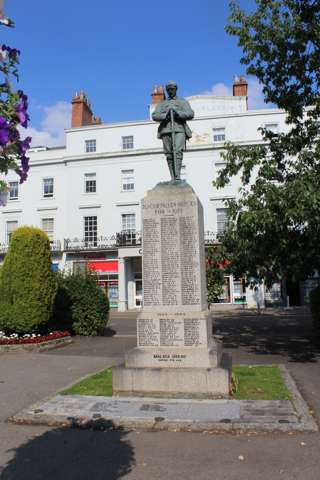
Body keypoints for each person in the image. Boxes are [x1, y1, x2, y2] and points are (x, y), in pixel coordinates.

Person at [152, 80, 194, 181]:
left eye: (173, 89)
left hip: (179, 129)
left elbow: (190, 114)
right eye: (169, 89)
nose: (171, 91)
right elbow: (154, 115)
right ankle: (172, 177)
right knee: (169, 154)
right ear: (166, 90)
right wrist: (164, 116)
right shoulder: (162, 104)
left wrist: (178, 114)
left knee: (178, 152)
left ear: (176, 89)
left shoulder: (182, 102)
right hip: (166, 130)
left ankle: (178, 176)